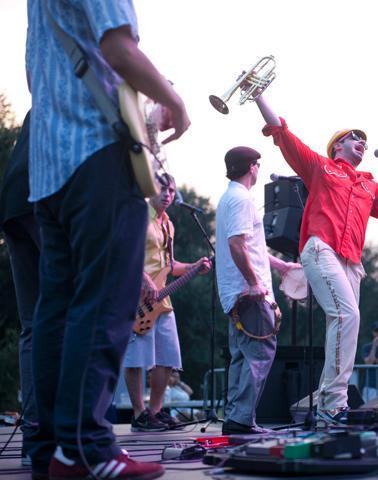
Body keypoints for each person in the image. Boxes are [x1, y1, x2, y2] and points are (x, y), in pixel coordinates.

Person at [26, 1, 190, 478]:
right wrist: (174, 102)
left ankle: (53, 449)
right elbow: (118, 49)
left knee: (57, 308)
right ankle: (86, 449)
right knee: (103, 304)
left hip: (48, 165)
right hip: (97, 156)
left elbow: (46, 75)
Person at [252, 91, 378, 424]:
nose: (362, 142)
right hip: (320, 248)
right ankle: (332, 405)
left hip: (352, 262)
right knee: (347, 317)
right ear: (337, 146)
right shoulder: (322, 168)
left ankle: (329, 405)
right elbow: (283, 134)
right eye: (354, 137)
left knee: (344, 325)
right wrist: (259, 95)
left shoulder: (369, 184)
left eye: (364, 141)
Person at [215, 146, 297, 435]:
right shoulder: (242, 199)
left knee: (242, 355)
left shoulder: (229, 198)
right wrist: (253, 283)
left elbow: (251, 246)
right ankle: (241, 420)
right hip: (248, 294)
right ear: (252, 166)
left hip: (237, 293)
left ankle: (236, 418)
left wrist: (281, 267)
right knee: (258, 354)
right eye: (257, 165)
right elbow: (237, 244)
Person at [123, 174, 211, 432]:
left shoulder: (168, 224)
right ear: (151, 188)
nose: (168, 194)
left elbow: (170, 266)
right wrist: (144, 281)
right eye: (163, 188)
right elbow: (125, 255)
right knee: (136, 358)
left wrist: (194, 267)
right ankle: (138, 414)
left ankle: (155, 411)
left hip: (162, 299)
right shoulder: (138, 215)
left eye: (172, 190)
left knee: (167, 355)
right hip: (135, 295)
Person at [0, 111, 38, 467]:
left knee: (32, 326)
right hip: (44, 200)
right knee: (75, 313)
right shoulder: (81, 87)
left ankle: (34, 440)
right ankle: (69, 439)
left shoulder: (38, 100)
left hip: (13, 204)